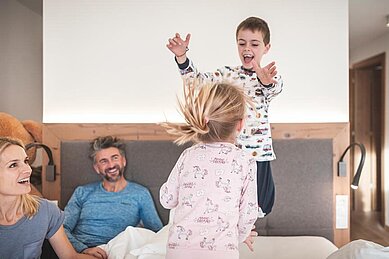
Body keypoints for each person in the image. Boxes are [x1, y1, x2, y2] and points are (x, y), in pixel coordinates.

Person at [166, 16, 283, 216]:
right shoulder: (226, 74)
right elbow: (196, 82)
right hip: (226, 152)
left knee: (262, 203)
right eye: (242, 43)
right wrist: (182, 58)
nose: (247, 48)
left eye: (254, 44)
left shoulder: (268, 76)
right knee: (227, 199)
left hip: (257, 154)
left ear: (266, 47)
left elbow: (274, 89)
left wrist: (265, 81)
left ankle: (246, 229)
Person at [160, 81, 259, 259]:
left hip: (179, 250)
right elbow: (249, 212)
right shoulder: (245, 161)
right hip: (222, 251)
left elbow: (167, 200)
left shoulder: (188, 155)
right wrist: (242, 235)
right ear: (240, 124)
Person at [64, 136, 163, 258]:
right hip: (82, 252)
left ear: (123, 161)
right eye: (103, 161)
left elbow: (158, 233)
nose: (111, 165)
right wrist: (83, 249)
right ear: (96, 168)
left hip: (117, 251)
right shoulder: (82, 192)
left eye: (114, 158)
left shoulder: (140, 194)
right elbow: (62, 229)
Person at [0, 137, 93, 259]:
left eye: (26, 161)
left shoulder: (46, 210)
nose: (28, 169)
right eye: (13, 165)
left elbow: (71, 257)